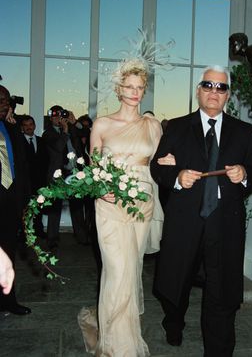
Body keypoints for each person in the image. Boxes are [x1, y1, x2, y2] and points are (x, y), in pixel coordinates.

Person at [150, 65, 252, 356]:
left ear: (228, 95)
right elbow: (157, 167)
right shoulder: (176, 127)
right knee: (176, 285)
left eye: (221, 87)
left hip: (224, 224)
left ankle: (219, 350)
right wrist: (176, 176)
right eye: (208, 85)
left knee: (221, 292)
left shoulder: (242, 131)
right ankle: (173, 323)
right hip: (185, 222)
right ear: (199, 90)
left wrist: (244, 173)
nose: (214, 92)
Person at [78, 58, 164, 356]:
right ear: (118, 89)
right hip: (110, 204)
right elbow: (92, 169)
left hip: (141, 203)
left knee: (132, 271)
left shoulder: (152, 125)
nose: (134, 92)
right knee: (117, 270)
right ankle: (118, 346)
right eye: (128, 87)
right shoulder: (102, 124)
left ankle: (119, 335)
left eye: (139, 87)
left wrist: (171, 164)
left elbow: (161, 163)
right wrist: (102, 191)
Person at [0, 85, 31, 315]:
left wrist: (14, 128)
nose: (5, 104)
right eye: (1, 100)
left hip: (10, 199)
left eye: (7, 101)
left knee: (8, 252)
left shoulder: (9, 128)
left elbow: (22, 161)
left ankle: (8, 301)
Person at [42, 105, 89, 249]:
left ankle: (81, 237)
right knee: (55, 207)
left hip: (75, 173)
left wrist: (74, 122)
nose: (58, 119)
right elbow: (58, 147)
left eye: (60, 116)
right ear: (50, 119)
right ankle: (52, 239)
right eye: (55, 117)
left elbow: (86, 132)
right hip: (58, 174)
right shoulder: (48, 133)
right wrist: (65, 131)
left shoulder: (72, 128)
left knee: (77, 206)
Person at [21, 115, 49, 238]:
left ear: (35, 126)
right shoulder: (18, 142)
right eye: (26, 125)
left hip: (40, 181)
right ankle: (23, 233)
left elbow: (46, 160)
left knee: (39, 207)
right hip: (24, 182)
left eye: (31, 124)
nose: (29, 127)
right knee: (24, 209)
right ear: (22, 127)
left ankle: (39, 230)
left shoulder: (41, 141)